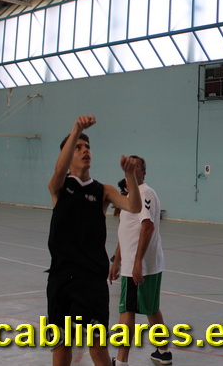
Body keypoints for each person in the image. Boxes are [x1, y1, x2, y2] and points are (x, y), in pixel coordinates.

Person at [46, 115, 142, 366]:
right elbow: (59, 170)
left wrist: (130, 175)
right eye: (78, 147)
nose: (85, 150)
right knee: (61, 346)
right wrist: (76, 128)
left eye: (87, 146)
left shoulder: (103, 190)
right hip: (61, 277)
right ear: (68, 155)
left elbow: (134, 206)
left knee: (98, 347)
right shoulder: (59, 186)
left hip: (91, 280)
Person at [110, 155, 171, 366]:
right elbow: (127, 231)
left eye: (136, 166)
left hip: (139, 266)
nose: (132, 168)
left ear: (143, 172)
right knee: (151, 308)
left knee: (127, 311)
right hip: (143, 264)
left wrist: (136, 263)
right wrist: (116, 261)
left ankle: (121, 361)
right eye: (130, 165)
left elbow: (147, 226)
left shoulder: (145, 193)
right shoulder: (131, 196)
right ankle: (163, 352)